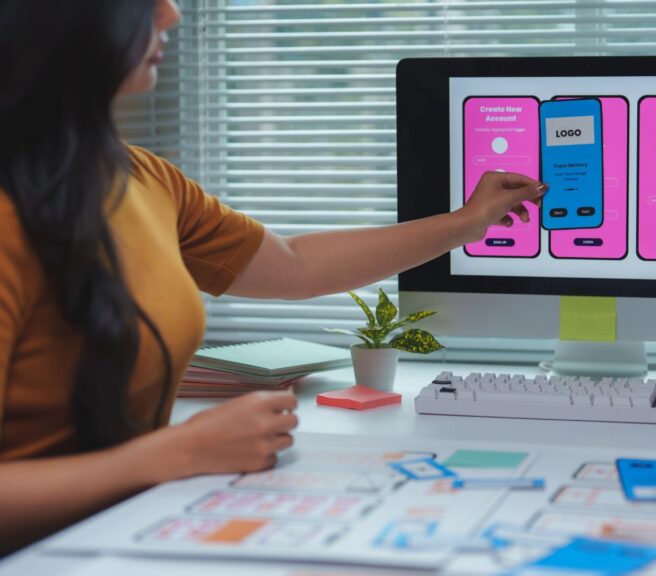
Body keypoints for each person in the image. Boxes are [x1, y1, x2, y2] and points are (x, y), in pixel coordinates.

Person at [0, 0, 544, 552]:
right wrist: (177, 453)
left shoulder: (141, 177)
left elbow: (295, 265)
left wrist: (467, 223)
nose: (171, 15)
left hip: (121, 537)